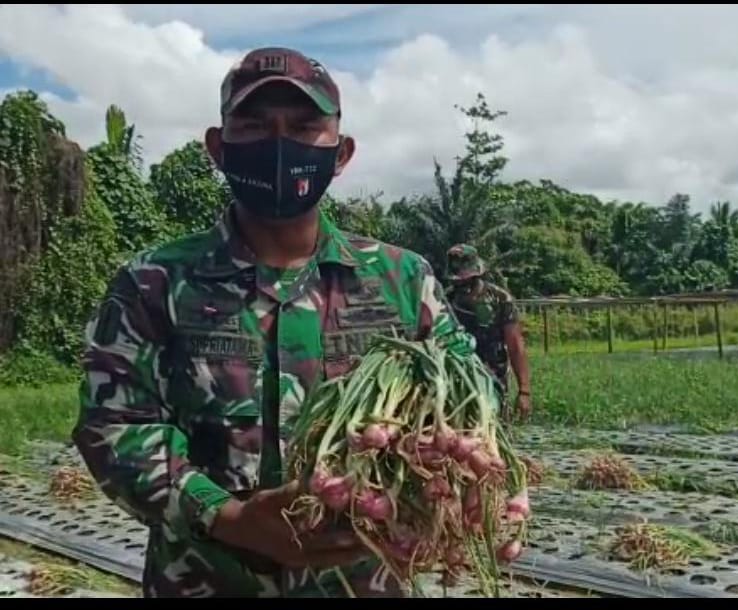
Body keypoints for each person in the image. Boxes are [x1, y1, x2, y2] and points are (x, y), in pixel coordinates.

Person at [71, 47, 478, 598]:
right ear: (218, 148)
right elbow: (114, 425)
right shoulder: (154, 283)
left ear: (341, 153)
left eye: (305, 127)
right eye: (254, 126)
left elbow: (467, 404)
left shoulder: (404, 281)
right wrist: (227, 516)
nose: (279, 145)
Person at [444, 244, 532, 421]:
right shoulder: (446, 300)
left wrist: (524, 391)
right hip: (454, 382)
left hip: (493, 381)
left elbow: (515, 346)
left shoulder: (500, 299)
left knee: (492, 426)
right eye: (457, 281)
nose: (460, 284)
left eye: (465, 280)